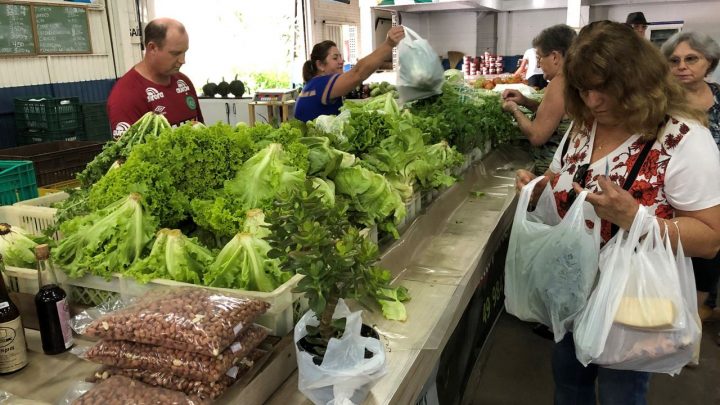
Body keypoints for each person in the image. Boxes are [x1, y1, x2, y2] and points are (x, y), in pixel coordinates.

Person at [515, 21, 720, 404]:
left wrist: (637, 221)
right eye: (583, 89)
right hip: (571, 291)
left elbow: (710, 238)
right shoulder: (583, 127)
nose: (592, 101)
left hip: (631, 300)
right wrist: (540, 191)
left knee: (620, 394)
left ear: (639, 81)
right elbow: (558, 175)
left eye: (605, 88)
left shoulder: (681, 139)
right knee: (569, 384)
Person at [661, 31, 720, 321]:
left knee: (711, 257)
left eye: (691, 59)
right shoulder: (661, 102)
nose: (682, 66)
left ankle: (702, 310)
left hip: (715, 195)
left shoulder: (719, 97)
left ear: (708, 62)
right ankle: (685, 314)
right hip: (679, 195)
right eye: (674, 60)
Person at [107, 18, 203, 139]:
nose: (183, 60)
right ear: (152, 48)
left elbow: (200, 128)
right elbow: (128, 154)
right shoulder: (125, 96)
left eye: (184, 52)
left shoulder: (184, 82)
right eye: (175, 53)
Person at [293, 26, 405, 123]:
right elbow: (357, 73)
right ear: (320, 65)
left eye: (341, 57)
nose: (341, 61)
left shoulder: (312, 85)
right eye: (335, 58)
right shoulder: (320, 84)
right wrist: (389, 44)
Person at [501, 24, 576, 146]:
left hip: (553, 162)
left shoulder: (559, 83)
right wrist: (525, 101)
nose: (539, 64)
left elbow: (537, 136)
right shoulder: (571, 78)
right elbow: (553, 117)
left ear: (555, 57)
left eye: (539, 57)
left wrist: (514, 109)